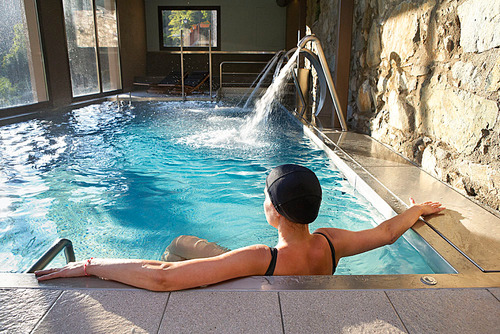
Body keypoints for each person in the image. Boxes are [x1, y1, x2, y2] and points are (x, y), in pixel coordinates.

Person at [35, 164, 445, 291]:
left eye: (266, 196)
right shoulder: (331, 243)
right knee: (194, 249)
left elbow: (163, 281)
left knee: (178, 247)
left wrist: (91, 264)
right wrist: (416, 211)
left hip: (256, 279)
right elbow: (387, 233)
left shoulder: (260, 257)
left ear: (276, 213)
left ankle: (174, 244)